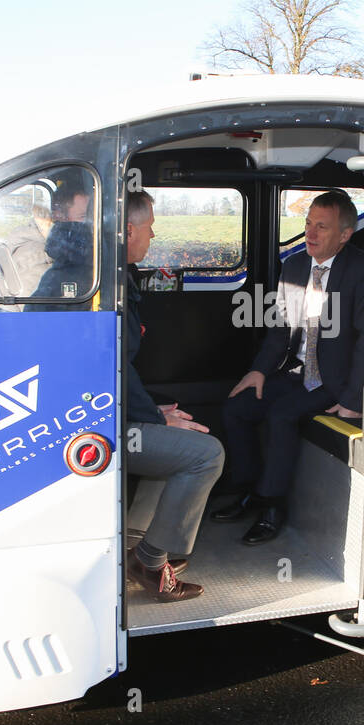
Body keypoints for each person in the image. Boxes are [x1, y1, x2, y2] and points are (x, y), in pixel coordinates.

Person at [213, 189, 364, 545]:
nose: (310, 234)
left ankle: (272, 506)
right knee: (237, 408)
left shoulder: (361, 271)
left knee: (281, 415)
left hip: (333, 381)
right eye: (307, 224)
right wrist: (258, 371)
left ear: (345, 235)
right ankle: (249, 490)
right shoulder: (296, 265)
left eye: (322, 227)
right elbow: (280, 330)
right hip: (297, 371)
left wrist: (352, 399)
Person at [123, 189, 224, 600]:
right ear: (129, 231)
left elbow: (119, 370)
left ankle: (143, 547)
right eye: (149, 228)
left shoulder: (117, 274)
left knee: (185, 437)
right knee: (206, 454)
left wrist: (152, 408)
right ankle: (148, 560)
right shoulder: (105, 284)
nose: (153, 235)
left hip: (114, 410)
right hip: (100, 423)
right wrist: (153, 416)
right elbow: (110, 369)